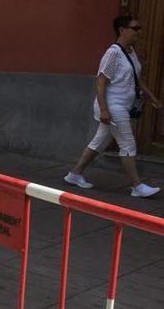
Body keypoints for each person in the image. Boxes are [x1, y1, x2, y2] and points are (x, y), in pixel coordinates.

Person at [64, 15, 162, 198]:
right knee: (127, 144)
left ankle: (74, 174)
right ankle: (137, 186)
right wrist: (104, 109)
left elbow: (137, 78)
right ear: (122, 30)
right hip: (113, 106)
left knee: (99, 142)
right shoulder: (113, 53)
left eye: (139, 28)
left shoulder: (130, 52)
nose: (138, 32)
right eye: (135, 28)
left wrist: (153, 97)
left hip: (122, 106)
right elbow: (101, 81)